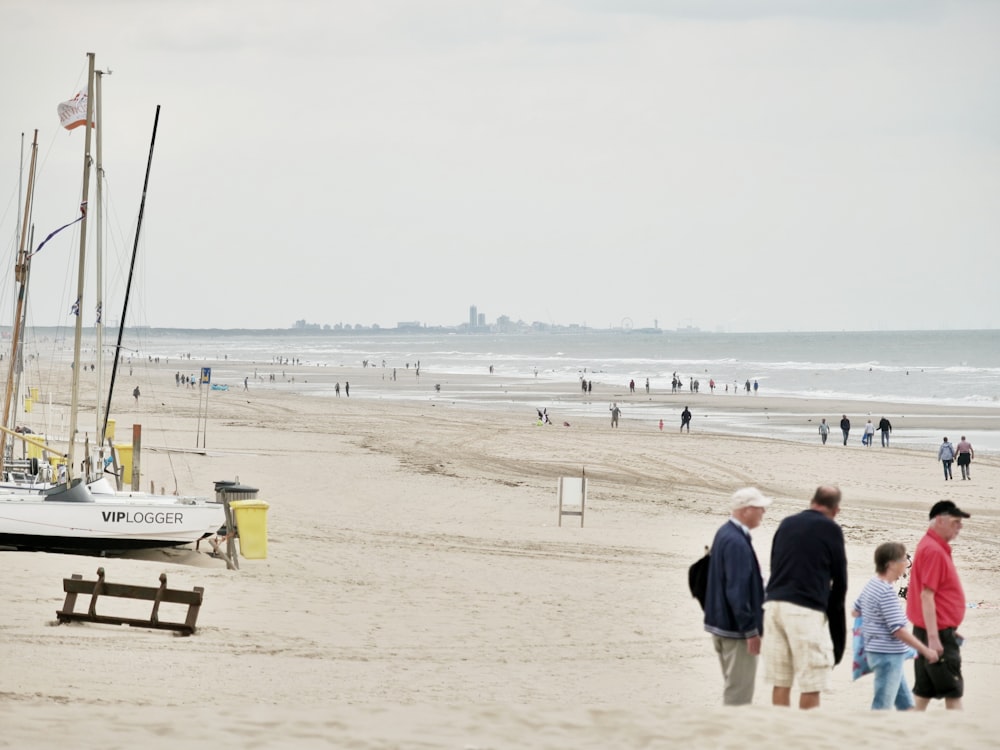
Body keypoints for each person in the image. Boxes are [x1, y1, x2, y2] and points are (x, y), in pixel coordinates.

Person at [762, 485, 848, 710]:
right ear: (836, 510)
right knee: (812, 681)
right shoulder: (831, 529)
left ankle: (782, 735)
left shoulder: (787, 523)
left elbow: (775, 564)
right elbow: (840, 583)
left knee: (781, 679)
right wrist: (838, 638)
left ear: (812, 501)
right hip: (804, 608)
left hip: (773, 605)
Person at [704, 487, 771, 706]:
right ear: (746, 510)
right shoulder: (735, 541)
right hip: (735, 630)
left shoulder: (726, 533)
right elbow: (737, 590)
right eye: (760, 508)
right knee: (739, 695)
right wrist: (750, 630)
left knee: (735, 688)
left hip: (723, 624)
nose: (763, 512)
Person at [852, 542, 938, 710]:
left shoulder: (872, 583)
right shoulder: (886, 592)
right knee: (881, 706)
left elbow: (856, 611)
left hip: (881, 652)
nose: (906, 564)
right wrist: (925, 650)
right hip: (887, 656)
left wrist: (874, 627)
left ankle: (908, 734)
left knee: (907, 706)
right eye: (904, 560)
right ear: (891, 564)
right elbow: (898, 630)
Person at [906, 501, 970, 711]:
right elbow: (927, 595)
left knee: (923, 693)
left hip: (929, 630)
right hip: (937, 633)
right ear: (940, 521)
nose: (959, 527)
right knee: (953, 692)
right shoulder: (933, 550)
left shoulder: (930, 545)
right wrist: (935, 638)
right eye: (955, 522)